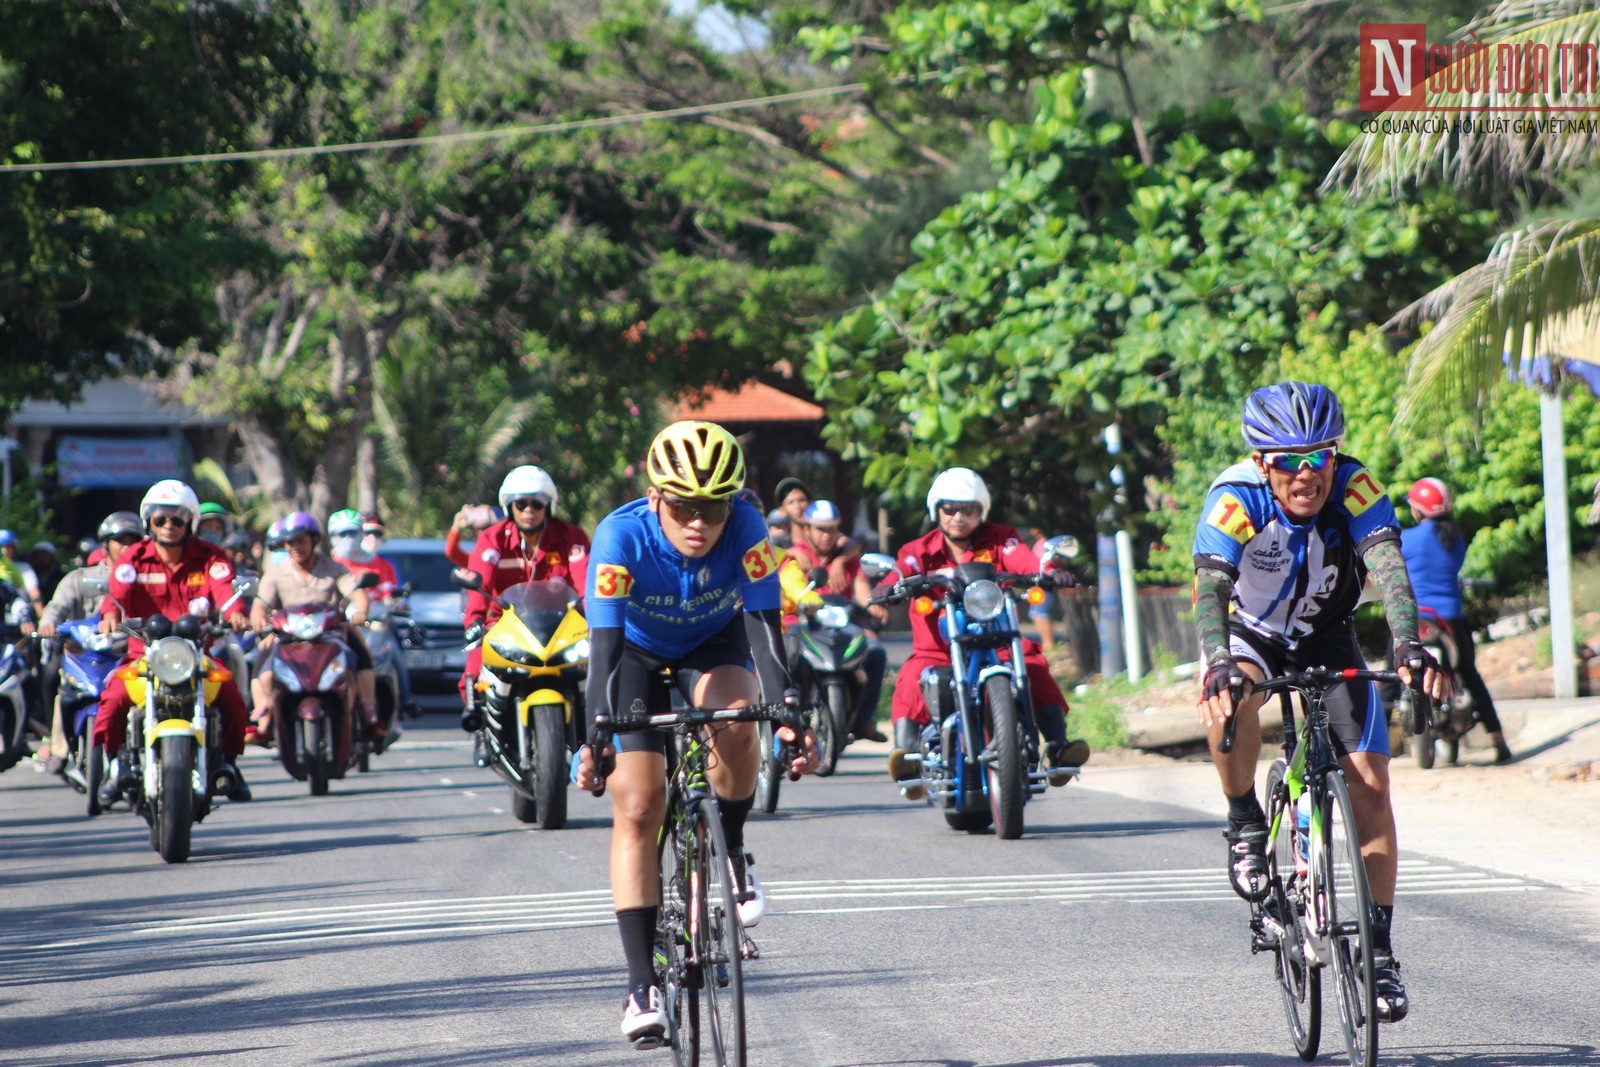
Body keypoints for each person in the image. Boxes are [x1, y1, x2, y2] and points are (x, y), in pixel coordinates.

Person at [1192, 381, 1452, 1025]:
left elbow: (1387, 564)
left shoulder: (1354, 487)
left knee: (1370, 782)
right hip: (1248, 633)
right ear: (1262, 462)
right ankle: (1246, 820)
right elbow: (1209, 589)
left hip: (1327, 632)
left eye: (1319, 456)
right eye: (1287, 460)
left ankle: (1380, 956)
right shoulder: (1235, 498)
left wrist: (1409, 645)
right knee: (1231, 702)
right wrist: (1218, 662)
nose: (1305, 474)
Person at [571, 420, 817, 1045]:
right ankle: (639, 985)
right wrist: (596, 737)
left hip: (713, 642)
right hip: (633, 654)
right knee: (640, 803)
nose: (699, 523)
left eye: (713, 506)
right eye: (683, 507)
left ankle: (731, 848)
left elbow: (765, 628)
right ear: (656, 498)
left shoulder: (748, 528)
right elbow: (601, 652)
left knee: (740, 717)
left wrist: (788, 703)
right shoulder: (619, 535)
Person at [881, 467, 1089, 797]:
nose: (959, 516)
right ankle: (907, 756)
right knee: (911, 676)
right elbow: (900, 570)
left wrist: (1048, 572)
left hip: (998, 642)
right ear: (937, 510)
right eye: (950, 508)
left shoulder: (1001, 539)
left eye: (969, 509)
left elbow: (1024, 560)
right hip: (938, 649)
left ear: (981, 511)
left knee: (1034, 664)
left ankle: (1058, 745)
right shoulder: (917, 549)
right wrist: (887, 587)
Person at [92, 480, 254, 807]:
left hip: (196, 656)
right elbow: (117, 594)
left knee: (232, 697)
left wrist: (236, 612)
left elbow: (224, 589)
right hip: (144, 655)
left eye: (177, 519)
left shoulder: (211, 557)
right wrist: (110, 613)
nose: (168, 526)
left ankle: (228, 763)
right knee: (113, 699)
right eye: (159, 519)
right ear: (148, 522)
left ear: (190, 521)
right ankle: (116, 763)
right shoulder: (133, 558)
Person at [459, 466, 591, 721]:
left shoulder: (571, 537)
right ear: (509, 507)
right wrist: (473, 621)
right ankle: (478, 713)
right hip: (503, 624)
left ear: (548, 506)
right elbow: (480, 582)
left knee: (599, 667)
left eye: (537, 503)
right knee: (476, 662)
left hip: (561, 626)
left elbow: (584, 580)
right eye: (520, 504)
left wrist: (595, 616)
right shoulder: (492, 539)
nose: (529, 510)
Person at [1401, 478, 1512, 764]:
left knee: (1390, 676)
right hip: (1450, 621)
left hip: (1417, 618)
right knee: (1470, 674)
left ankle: (1366, 739)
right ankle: (1498, 739)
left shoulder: (1406, 538)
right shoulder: (1456, 540)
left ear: (1417, 510)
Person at [248, 512, 383, 744]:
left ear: (314, 540)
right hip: (288, 637)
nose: (296, 547)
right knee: (262, 668)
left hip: (331, 634)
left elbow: (357, 595)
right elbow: (260, 606)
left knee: (361, 658)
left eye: (301, 540)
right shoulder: (276, 574)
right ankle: (265, 718)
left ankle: (367, 711)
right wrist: (259, 621)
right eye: (291, 542)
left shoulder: (334, 569)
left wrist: (360, 611)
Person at [35, 511, 144, 774]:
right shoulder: (80, 578)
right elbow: (56, 607)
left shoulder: (145, 576)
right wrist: (48, 624)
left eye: (133, 541)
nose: (127, 547)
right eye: (121, 540)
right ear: (105, 545)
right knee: (55, 678)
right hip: (85, 654)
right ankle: (58, 747)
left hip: (126, 654)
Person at [784, 499, 888, 742]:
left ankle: (862, 720)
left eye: (831, 529)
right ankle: (789, 717)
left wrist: (873, 606)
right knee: (790, 655)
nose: (826, 535)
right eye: (820, 529)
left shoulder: (847, 557)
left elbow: (861, 587)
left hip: (842, 629)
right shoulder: (795, 556)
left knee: (875, 652)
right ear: (807, 529)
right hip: (803, 626)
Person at [328, 509, 418, 719]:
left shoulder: (381, 564)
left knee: (389, 654)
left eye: (353, 533)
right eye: (342, 534)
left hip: (373, 623)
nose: (348, 540)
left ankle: (403, 699)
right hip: (337, 627)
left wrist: (392, 604)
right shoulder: (329, 565)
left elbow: (386, 595)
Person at [0, 530, 44, 622]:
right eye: (2, 547)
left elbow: (34, 593)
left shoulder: (24, 568)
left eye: (8, 547)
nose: (4, 551)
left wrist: (43, 619)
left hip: (21, 619)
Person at [28, 542, 63, 607]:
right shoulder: (29, 575)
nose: (41, 559)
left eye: (45, 555)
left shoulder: (59, 576)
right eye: (38, 555)